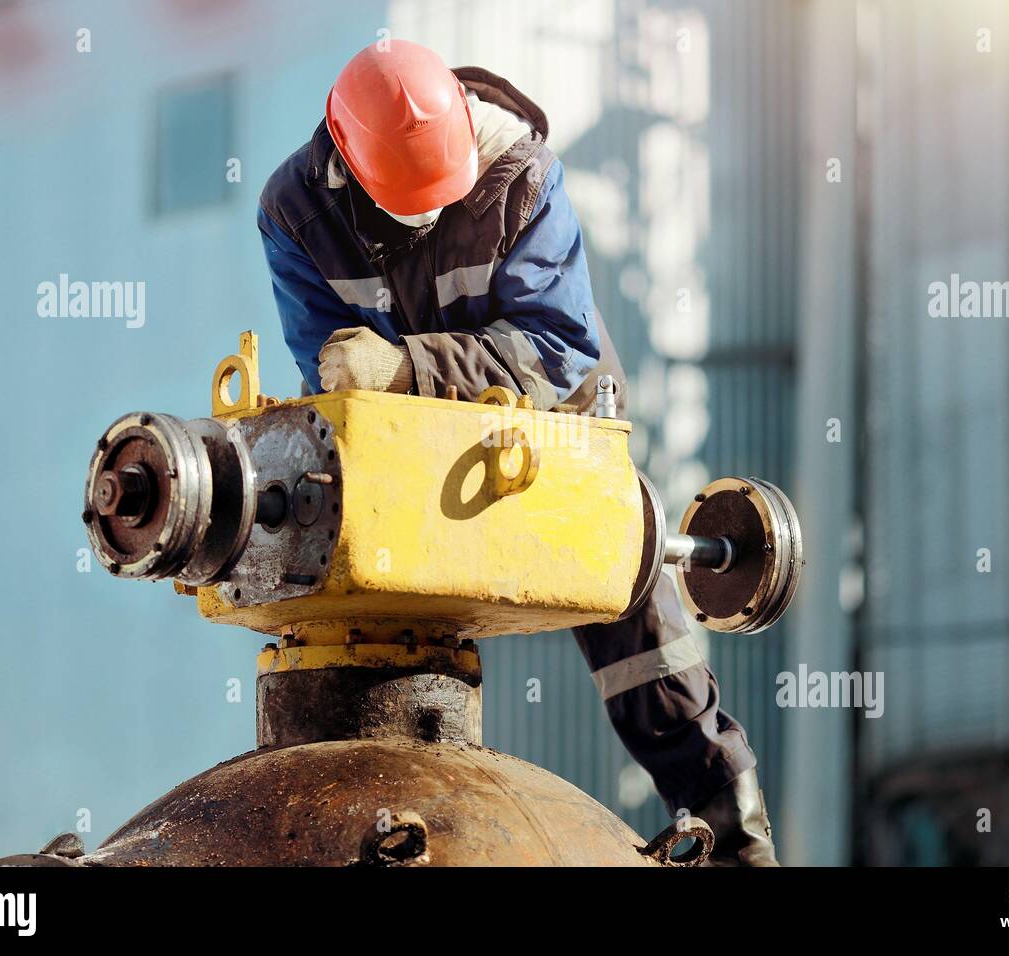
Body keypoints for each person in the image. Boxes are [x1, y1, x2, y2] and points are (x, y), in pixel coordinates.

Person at [257, 39, 777, 866]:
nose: (428, 216)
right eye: (408, 204)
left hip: (549, 422)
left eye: (440, 199)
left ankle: (736, 838)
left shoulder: (520, 176)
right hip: (408, 448)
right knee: (349, 593)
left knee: (631, 607)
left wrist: (408, 366)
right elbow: (332, 381)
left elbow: (558, 347)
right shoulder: (294, 211)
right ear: (346, 166)